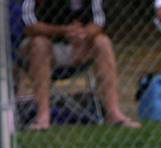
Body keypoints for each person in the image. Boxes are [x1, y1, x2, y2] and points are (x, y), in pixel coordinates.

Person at [21, 0, 140, 130]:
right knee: (39, 44)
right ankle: (43, 116)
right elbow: (29, 25)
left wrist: (83, 34)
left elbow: (99, 22)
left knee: (102, 42)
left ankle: (113, 113)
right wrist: (63, 31)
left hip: (79, 47)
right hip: (45, 46)